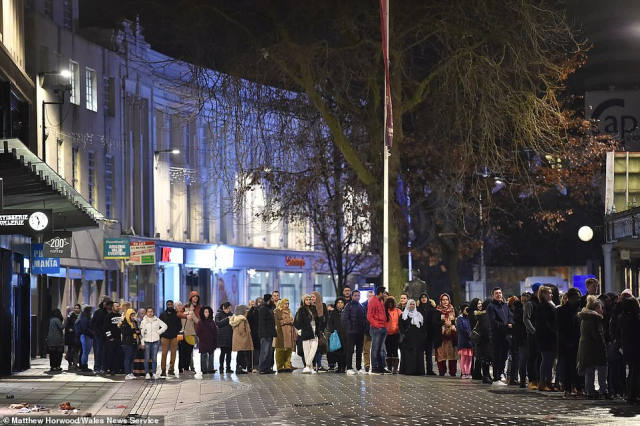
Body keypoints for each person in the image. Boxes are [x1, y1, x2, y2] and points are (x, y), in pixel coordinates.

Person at [578, 295, 610, 399]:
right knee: (602, 369)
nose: (602, 310)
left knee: (589, 371)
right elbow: (598, 337)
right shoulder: (595, 319)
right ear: (596, 308)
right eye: (601, 308)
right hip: (595, 349)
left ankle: (590, 391)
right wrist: (604, 349)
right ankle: (603, 390)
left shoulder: (586, 318)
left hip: (586, 348)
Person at [557, 288, 582, 396]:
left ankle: (578, 387)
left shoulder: (579, 309)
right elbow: (558, 328)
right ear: (570, 298)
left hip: (577, 342)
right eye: (576, 297)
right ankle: (567, 388)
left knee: (577, 366)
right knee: (567, 366)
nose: (578, 299)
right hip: (565, 342)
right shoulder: (561, 310)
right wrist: (566, 341)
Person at [486, 287, 512, 383]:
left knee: (504, 356)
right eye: (496, 293)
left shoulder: (505, 305)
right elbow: (493, 322)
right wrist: (506, 326)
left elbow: (509, 316)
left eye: (500, 293)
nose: (499, 295)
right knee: (497, 356)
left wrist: (510, 323)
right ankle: (496, 377)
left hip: (506, 335)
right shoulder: (491, 306)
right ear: (493, 295)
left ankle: (501, 373)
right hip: (496, 335)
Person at [619, 297, 640, 403]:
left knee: (632, 371)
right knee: (635, 372)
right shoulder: (635, 318)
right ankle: (633, 394)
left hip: (628, 347)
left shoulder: (622, 317)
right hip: (636, 348)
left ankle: (631, 394)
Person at [295, 294, 321, 373]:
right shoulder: (301, 310)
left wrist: (319, 329)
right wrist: (301, 330)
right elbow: (296, 322)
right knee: (307, 351)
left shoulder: (313, 308)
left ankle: (307, 366)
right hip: (306, 331)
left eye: (309, 299)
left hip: (314, 330)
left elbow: (317, 320)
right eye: (306, 299)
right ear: (303, 300)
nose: (308, 301)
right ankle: (311, 368)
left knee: (313, 349)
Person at [342, 289, 366, 375]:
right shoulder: (348, 306)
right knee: (350, 350)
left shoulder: (361, 306)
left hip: (360, 333)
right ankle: (349, 368)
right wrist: (349, 329)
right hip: (351, 333)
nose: (357, 297)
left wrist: (363, 329)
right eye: (355, 295)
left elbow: (364, 319)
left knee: (359, 351)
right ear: (352, 296)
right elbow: (345, 319)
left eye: (358, 295)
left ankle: (359, 368)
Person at [399, 299, 426, 375]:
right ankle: (408, 371)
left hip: (418, 339)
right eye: (410, 304)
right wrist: (405, 334)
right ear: (408, 305)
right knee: (408, 355)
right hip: (408, 339)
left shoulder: (419, 315)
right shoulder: (403, 315)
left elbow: (422, 327)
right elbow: (401, 326)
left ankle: (418, 371)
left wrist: (422, 336)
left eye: (413, 304)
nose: (412, 306)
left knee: (418, 354)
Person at [140, 307, 167, 379]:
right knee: (147, 358)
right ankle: (147, 373)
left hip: (155, 341)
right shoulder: (143, 321)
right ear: (146, 313)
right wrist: (142, 342)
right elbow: (142, 333)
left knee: (154, 358)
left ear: (153, 312)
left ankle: (154, 373)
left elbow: (165, 326)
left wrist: (158, 332)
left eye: (151, 311)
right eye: (148, 311)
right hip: (147, 341)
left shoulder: (157, 320)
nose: (150, 313)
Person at [435, 293, 457, 377]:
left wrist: (451, 324)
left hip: (451, 336)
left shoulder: (453, 309)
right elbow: (435, 322)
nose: (445, 301)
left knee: (452, 354)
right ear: (440, 301)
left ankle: (453, 372)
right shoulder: (437, 310)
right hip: (441, 336)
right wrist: (444, 323)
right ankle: (442, 371)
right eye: (443, 300)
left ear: (449, 300)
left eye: (446, 299)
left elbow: (456, 321)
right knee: (441, 355)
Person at [367, 286, 388, 375]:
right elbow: (369, 316)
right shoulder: (373, 301)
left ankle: (381, 367)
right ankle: (374, 368)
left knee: (380, 349)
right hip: (376, 328)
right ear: (380, 293)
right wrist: (377, 325)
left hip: (382, 327)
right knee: (375, 348)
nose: (385, 294)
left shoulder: (381, 301)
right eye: (384, 293)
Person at [524, 283, 541, 389]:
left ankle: (539, 379)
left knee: (540, 357)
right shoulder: (530, 303)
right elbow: (526, 318)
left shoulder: (541, 302)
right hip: (533, 334)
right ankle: (532, 380)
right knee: (532, 357)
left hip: (540, 334)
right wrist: (533, 331)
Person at [417, 293, 438, 376]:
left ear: (428, 298)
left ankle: (430, 370)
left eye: (425, 297)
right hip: (421, 333)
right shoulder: (417, 308)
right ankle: (420, 369)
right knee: (420, 353)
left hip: (430, 334)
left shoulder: (432, 308)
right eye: (422, 297)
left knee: (429, 354)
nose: (424, 298)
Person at [159, 300, 181, 378]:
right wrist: (161, 335)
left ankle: (171, 370)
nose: (169, 306)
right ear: (166, 305)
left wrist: (175, 332)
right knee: (164, 354)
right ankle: (163, 370)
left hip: (174, 337)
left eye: (171, 304)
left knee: (173, 354)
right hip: (164, 337)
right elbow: (159, 326)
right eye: (168, 304)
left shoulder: (176, 314)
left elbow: (179, 325)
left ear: (172, 305)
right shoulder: (162, 315)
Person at [473, 300, 493, 384]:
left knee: (486, 359)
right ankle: (486, 376)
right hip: (484, 342)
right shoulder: (485, 316)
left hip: (482, 342)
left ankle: (487, 375)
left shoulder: (483, 315)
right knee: (486, 359)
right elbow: (486, 329)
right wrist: (490, 338)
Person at [274, 298, 296, 372]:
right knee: (280, 350)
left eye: (288, 304)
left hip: (289, 333)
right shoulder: (277, 311)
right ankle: (280, 367)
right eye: (285, 303)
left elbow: (293, 321)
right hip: (281, 334)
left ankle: (287, 366)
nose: (287, 305)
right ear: (282, 304)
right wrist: (288, 320)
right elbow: (279, 323)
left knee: (288, 350)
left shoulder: (289, 311)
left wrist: (290, 321)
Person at [178, 297, 199, 373]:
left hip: (182, 335)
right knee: (188, 353)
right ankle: (186, 369)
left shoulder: (182, 314)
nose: (193, 308)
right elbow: (197, 321)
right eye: (192, 306)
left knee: (182, 352)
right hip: (190, 335)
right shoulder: (191, 313)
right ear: (189, 307)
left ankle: (181, 368)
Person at [230, 304, 253, 373]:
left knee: (239, 354)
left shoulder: (235, 319)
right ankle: (241, 368)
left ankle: (239, 368)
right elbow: (242, 330)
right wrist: (248, 333)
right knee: (242, 354)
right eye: (246, 311)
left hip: (238, 339)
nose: (247, 313)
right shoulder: (242, 320)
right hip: (242, 339)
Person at [91, 298, 111, 374]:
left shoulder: (108, 313)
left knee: (104, 352)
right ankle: (98, 367)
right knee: (98, 351)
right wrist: (97, 333)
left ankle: (103, 367)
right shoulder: (98, 312)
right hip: (99, 336)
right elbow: (93, 324)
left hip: (105, 336)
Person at [327, 297, 347, 373]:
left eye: (342, 302)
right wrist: (332, 331)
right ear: (336, 304)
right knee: (337, 351)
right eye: (338, 302)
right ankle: (339, 367)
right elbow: (330, 323)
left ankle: (343, 367)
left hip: (345, 335)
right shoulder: (333, 312)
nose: (340, 304)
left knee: (344, 352)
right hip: (336, 335)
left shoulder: (346, 312)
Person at [258, 293, 276, 374]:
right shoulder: (263, 309)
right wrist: (264, 334)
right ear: (268, 300)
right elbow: (262, 323)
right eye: (272, 298)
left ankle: (267, 368)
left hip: (270, 333)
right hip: (265, 334)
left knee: (269, 352)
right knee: (264, 351)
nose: (273, 300)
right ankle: (262, 368)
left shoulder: (270, 308)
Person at [197, 306, 218, 374]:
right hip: (203, 341)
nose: (207, 313)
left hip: (211, 341)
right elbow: (198, 332)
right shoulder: (200, 322)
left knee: (211, 355)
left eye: (208, 312)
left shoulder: (212, 321)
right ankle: (204, 370)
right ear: (203, 313)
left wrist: (214, 339)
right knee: (203, 355)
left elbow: (215, 331)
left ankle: (211, 369)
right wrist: (202, 338)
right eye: (206, 312)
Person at [120, 308, 140, 380]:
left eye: (134, 315)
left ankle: (131, 372)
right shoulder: (124, 323)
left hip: (134, 342)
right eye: (132, 315)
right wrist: (134, 331)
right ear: (128, 315)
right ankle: (127, 373)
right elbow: (125, 332)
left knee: (132, 358)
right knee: (128, 358)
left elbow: (138, 330)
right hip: (127, 343)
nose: (133, 317)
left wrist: (137, 331)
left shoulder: (134, 322)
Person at [103, 301, 123, 376]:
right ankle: (111, 369)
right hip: (112, 339)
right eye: (116, 306)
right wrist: (109, 337)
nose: (118, 307)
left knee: (118, 354)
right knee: (111, 354)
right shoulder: (109, 316)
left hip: (119, 339)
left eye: (118, 306)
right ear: (113, 307)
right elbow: (105, 328)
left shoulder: (120, 316)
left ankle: (117, 368)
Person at [311, 291, 328, 371]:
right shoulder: (310, 306)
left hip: (320, 330)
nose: (312, 299)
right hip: (312, 330)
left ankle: (319, 365)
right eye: (311, 297)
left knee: (320, 348)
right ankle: (313, 365)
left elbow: (327, 318)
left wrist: (323, 329)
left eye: (314, 297)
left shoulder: (323, 305)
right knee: (313, 348)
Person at [384, 296, 402, 373]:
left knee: (394, 350)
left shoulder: (398, 311)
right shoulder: (384, 311)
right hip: (386, 334)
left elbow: (402, 320)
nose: (390, 304)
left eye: (392, 302)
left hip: (396, 334)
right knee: (388, 350)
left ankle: (395, 368)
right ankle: (389, 367)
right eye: (389, 302)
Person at [215, 302, 233, 373]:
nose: (228, 310)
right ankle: (221, 368)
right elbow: (218, 323)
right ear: (223, 307)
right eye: (227, 308)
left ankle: (228, 368)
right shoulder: (218, 314)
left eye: (229, 308)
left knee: (229, 353)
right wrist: (227, 319)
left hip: (230, 336)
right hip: (222, 336)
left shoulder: (231, 314)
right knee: (222, 353)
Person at [75, 306, 94, 372]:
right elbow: (85, 328)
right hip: (86, 336)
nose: (91, 312)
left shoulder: (83, 317)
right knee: (85, 352)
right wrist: (92, 333)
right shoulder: (85, 318)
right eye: (91, 311)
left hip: (85, 335)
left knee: (85, 352)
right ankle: (84, 366)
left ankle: (83, 365)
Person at [457, 303, 473, 379]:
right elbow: (460, 329)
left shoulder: (470, 318)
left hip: (470, 341)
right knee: (463, 358)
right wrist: (468, 334)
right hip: (463, 341)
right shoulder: (460, 318)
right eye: (466, 309)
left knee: (469, 358)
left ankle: (468, 372)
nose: (467, 310)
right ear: (463, 310)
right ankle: (463, 373)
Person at [247, 297, 262, 372]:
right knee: (255, 351)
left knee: (260, 350)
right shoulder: (252, 310)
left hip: (261, 333)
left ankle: (259, 366)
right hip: (254, 333)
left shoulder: (263, 309)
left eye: (261, 302)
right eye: (258, 302)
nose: (259, 303)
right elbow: (248, 320)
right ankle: (254, 367)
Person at [64, 304, 81, 371]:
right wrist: (70, 329)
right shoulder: (71, 316)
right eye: (75, 308)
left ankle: (76, 364)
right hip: (72, 337)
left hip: (79, 336)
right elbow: (67, 325)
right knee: (72, 351)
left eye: (77, 308)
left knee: (77, 351)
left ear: (80, 309)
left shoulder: (81, 316)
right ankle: (71, 364)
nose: (76, 309)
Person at [361, 290, 374, 372]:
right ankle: (367, 365)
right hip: (366, 329)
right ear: (367, 296)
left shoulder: (377, 305)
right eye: (369, 296)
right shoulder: (363, 305)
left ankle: (376, 364)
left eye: (372, 296)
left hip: (375, 329)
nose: (371, 297)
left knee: (377, 348)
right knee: (366, 348)